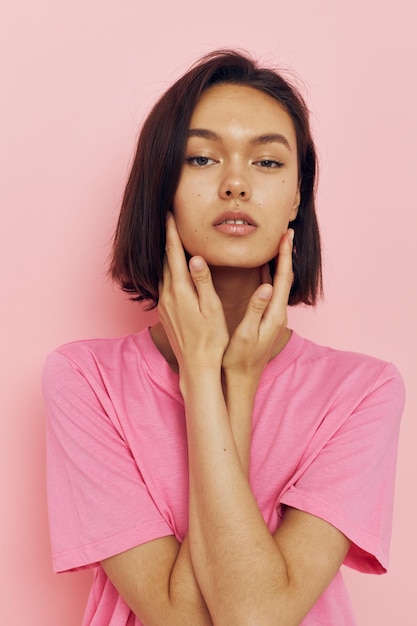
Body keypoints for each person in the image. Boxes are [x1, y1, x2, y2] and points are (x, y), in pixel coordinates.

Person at [42, 50, 404, 626]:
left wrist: (230, 377)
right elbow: (181, 617)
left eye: (266, 162)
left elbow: (254, 617)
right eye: (202, 157)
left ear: (296, 198)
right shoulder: (85, 380)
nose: (236, 183)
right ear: (161, 189)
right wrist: (205, 375)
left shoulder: (362, 390)